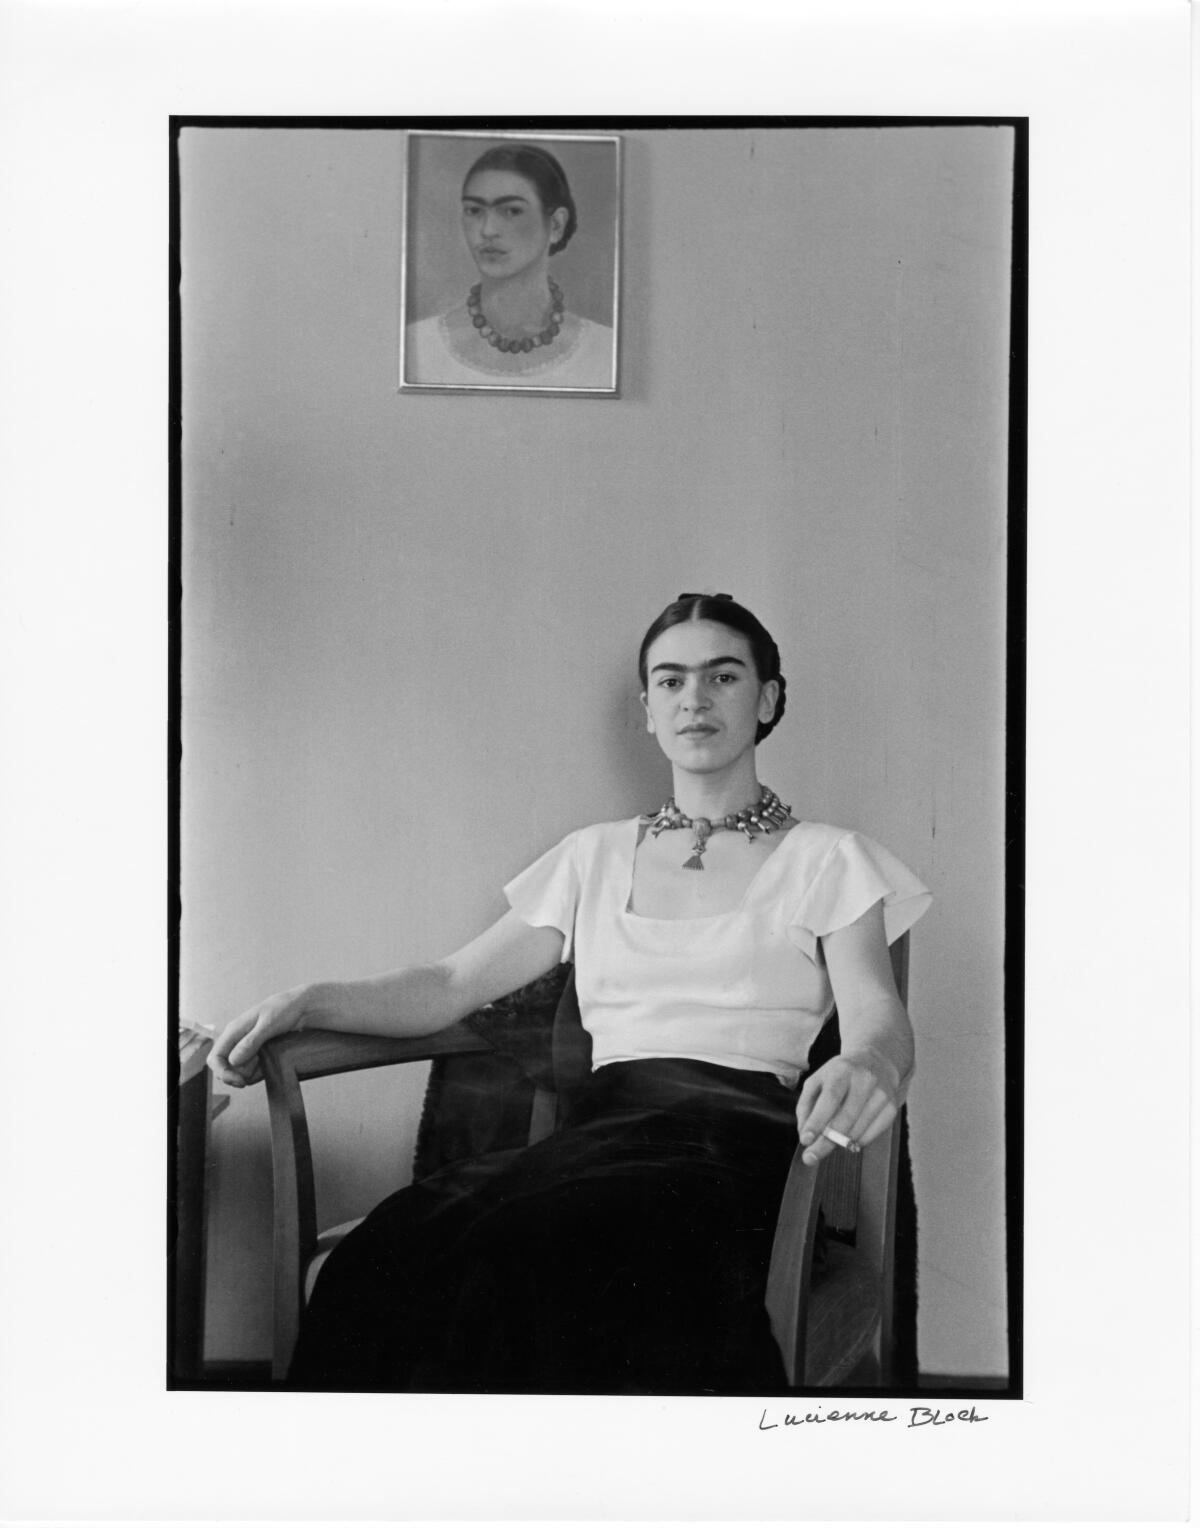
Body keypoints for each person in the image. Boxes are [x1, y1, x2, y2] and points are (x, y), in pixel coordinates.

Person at [209, 593, 931, 1393]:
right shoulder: (592, 857)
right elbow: (449, 985)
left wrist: (870, 1064)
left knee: (549, 1249)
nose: (695, 698)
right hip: (598, 1136)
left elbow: (876, 1020)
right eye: (670, 680)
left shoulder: (830, 860)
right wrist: (309, 1001)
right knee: (408, 1241)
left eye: (723, 677)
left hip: (730, 1149)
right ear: (648, 710)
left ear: (766, 700)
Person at [404, 142, 615, 390]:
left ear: (556, 225)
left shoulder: (605, 350)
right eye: (474, 210)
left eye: (512, 211)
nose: (487, 230)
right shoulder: (419, 346)